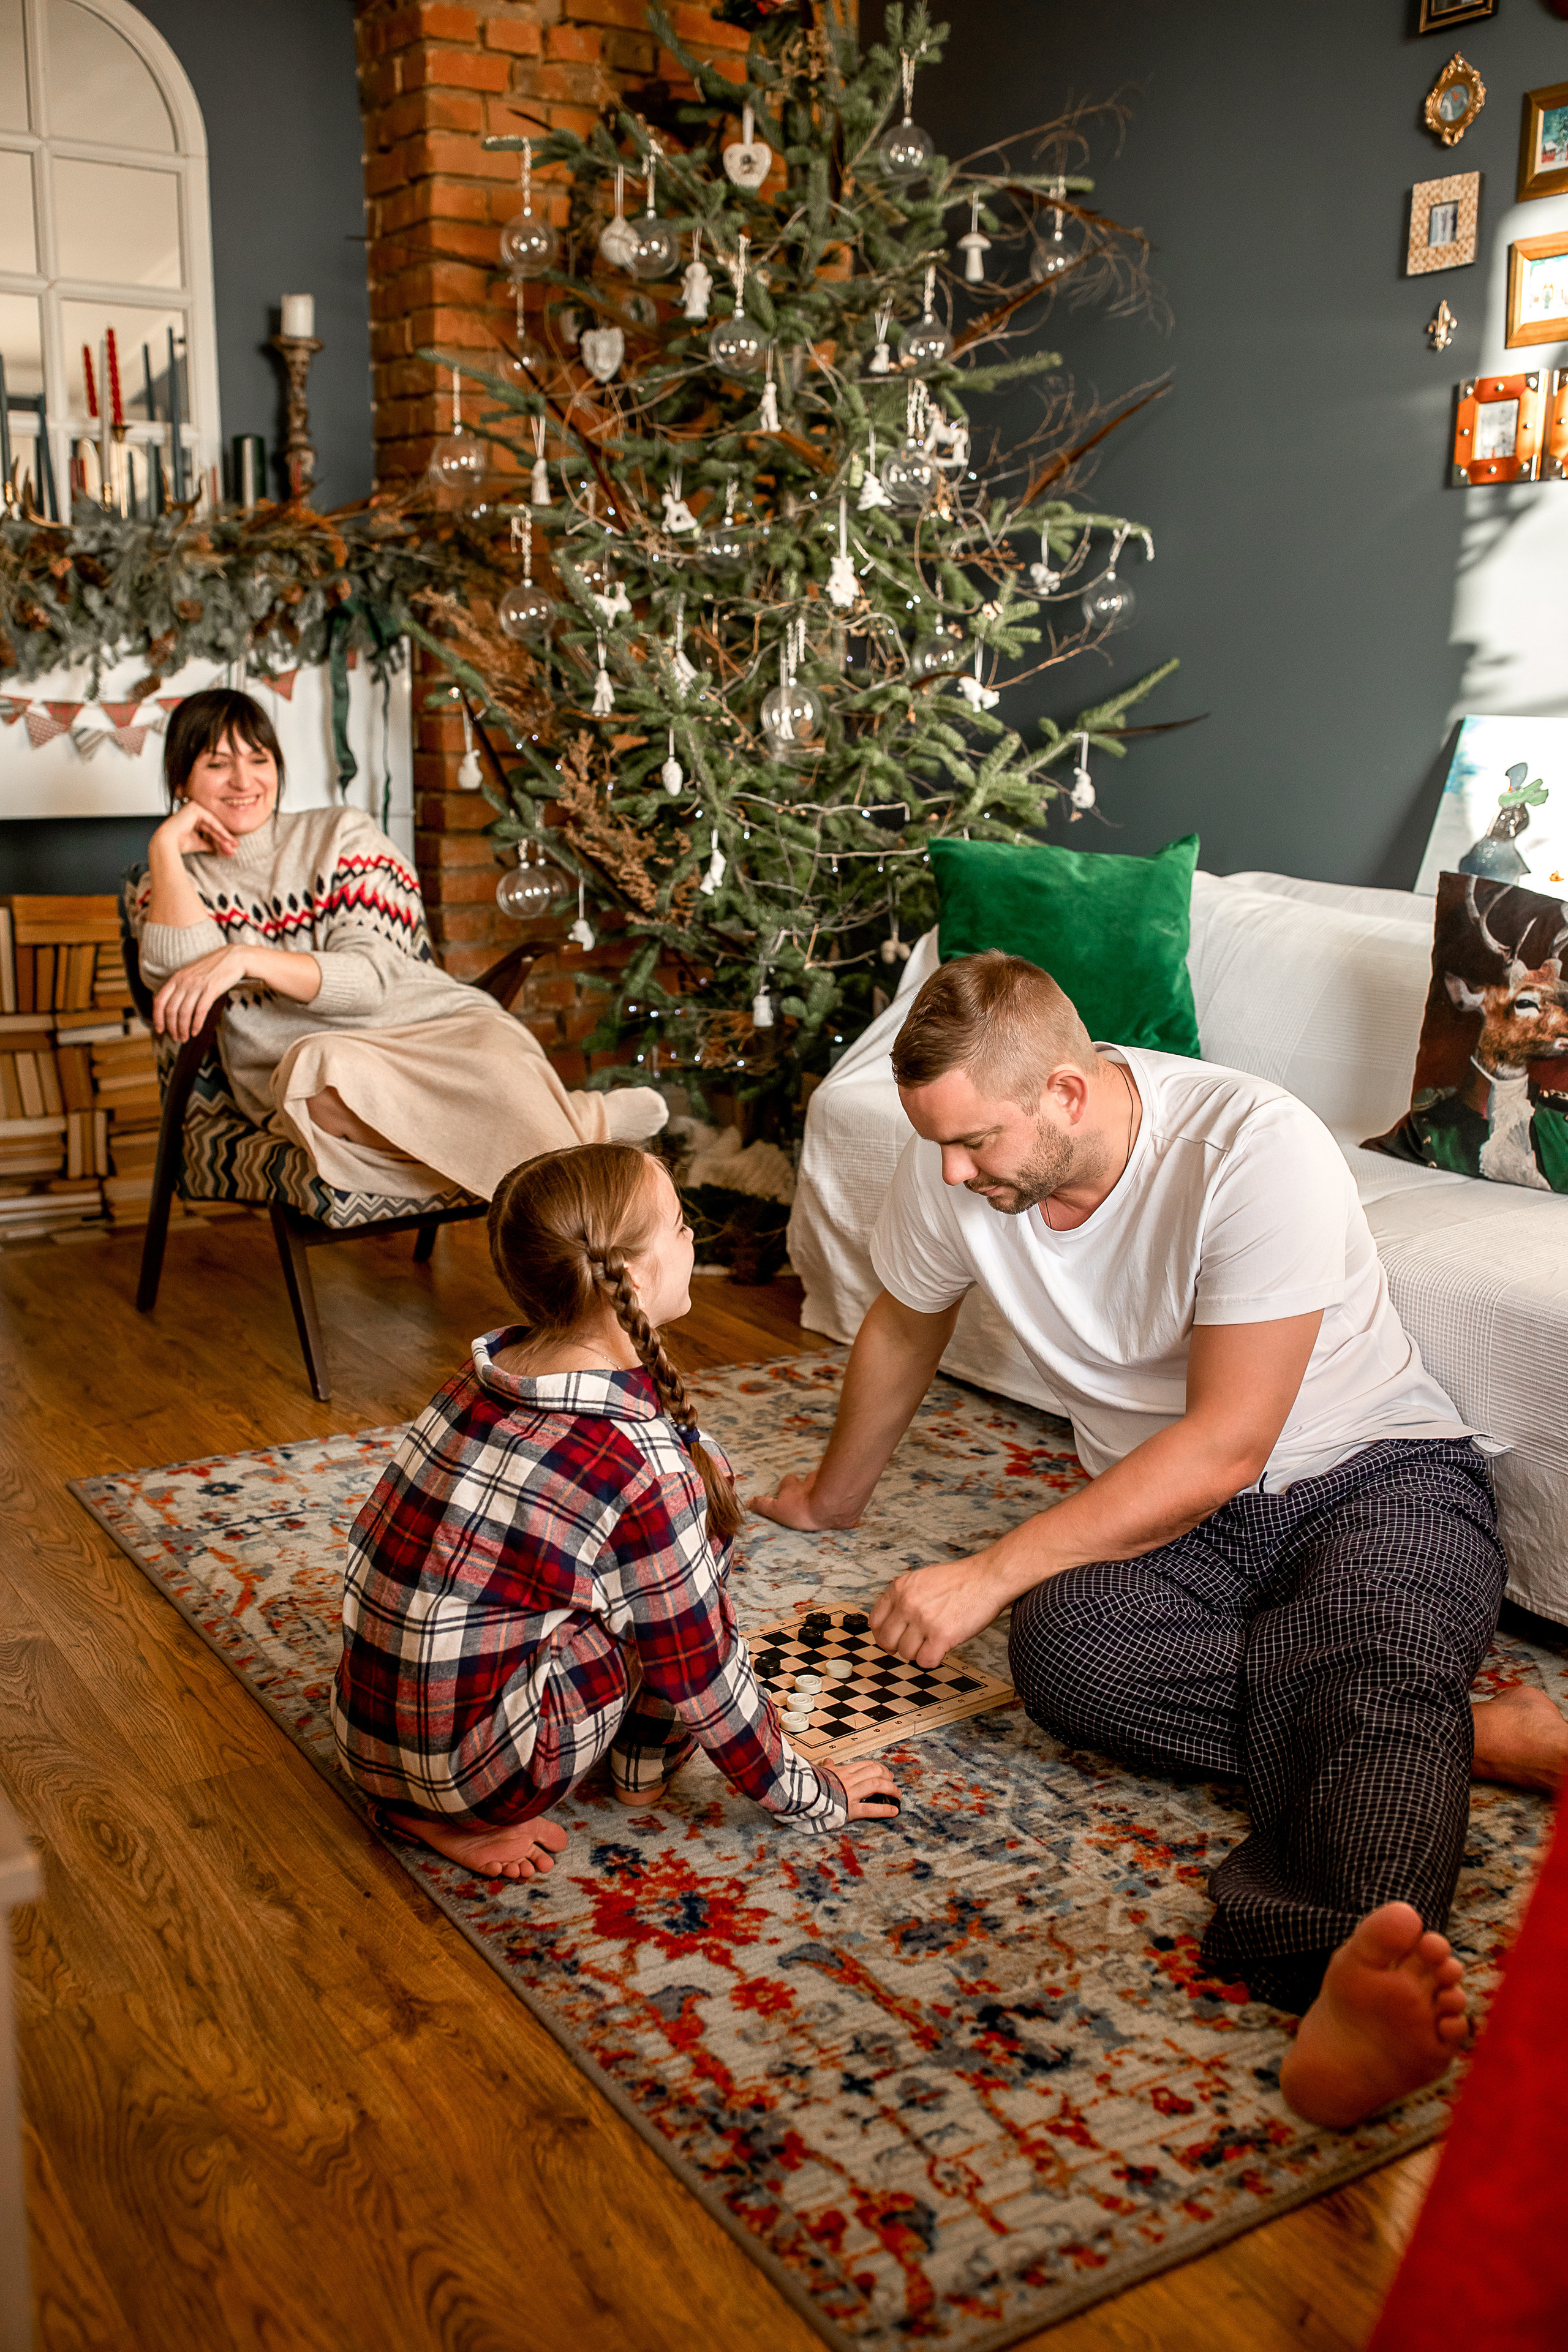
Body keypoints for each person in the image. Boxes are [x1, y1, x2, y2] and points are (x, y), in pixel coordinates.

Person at [755, 950, 1568, 2130]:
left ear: (1065, 1093)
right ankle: (1463, 1732)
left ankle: (1334, 1972)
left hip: (1371, 1478)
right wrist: (834, 1499)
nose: (951, 1172)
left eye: (973, 1142)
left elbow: (1229, 1444)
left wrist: (988, 1571)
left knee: (1369, 1648)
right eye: (939, 1145)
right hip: (1162, 1513)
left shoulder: (1252, 1148)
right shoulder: (960, 1168)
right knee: (1066, 1652)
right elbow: (905, 1321)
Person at [331, 1141, 900, 1879]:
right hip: (492, 1778)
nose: (692, 1237)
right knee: (687, 1553)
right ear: (628, 1276)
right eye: (679, 1224)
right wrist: (813, 1795)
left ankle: (432, 1809)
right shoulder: (646, 1464)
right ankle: (640, 1763)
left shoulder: (476, 1378)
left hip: (366, 1743)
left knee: (641, 1556)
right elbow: (701, 1672)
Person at [126, 687, 667, 1202]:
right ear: (181, 779)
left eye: (258, 758)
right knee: (316, 1071)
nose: (243, 780)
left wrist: (245, 957)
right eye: (217, 764)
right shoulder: (170, 879)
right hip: (313, 1067)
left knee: (487, 1051)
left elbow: (368, 982)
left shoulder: (341, 834)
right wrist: (165, 847)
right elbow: (179, 982)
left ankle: (563, 1166)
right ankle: (577, 1128)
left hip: (428, 1026)